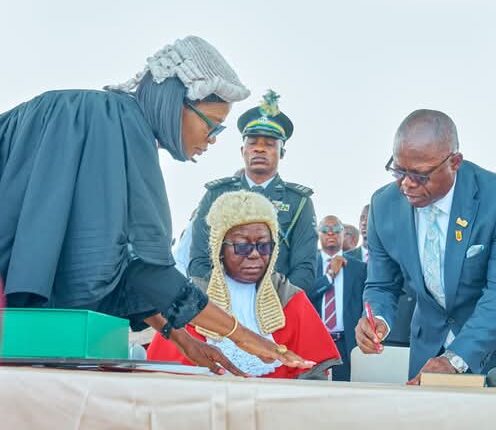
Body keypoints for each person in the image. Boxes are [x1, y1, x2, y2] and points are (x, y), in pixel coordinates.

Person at [0, 36, 311, 375]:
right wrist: (243, 336)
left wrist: (182, 339)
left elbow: (120, 264)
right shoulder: (113, 124)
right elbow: (148, 268)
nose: (212, 139)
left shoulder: (110, 121)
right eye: (212, 125)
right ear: (176, 103)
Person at [356, 109, 496, 383]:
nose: (406, 184)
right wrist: (378, 318)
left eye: (420, 175)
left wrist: (454, 359)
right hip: (426, 353)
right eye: (399, 170)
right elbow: (382, 285)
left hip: (494, 359)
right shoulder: (383, 206)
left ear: (454, 162)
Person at [148, 191, 340, 378]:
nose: (255, 254)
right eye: (242, 246)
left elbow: (314, 373)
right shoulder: (193, 298)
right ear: (219, 248)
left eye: (264, 245)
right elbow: (169, 374)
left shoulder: (289, 296)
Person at [188, 90, 318, 293]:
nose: (259, 149)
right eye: (253, 143)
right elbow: (199, 260)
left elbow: (304, 269)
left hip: (278, 303)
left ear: (282, 153)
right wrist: (226, 300)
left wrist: (269, 303)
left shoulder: (299, 201)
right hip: (221, 304)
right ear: (243, 151)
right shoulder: (216, 194)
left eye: (269, 144)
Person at [310, 216, 367, 381]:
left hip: (346, 343)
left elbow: (365, 303)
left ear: (343, 233)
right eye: (325, 230)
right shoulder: (308, 265)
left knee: (345, 390)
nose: (331, 234)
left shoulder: (359, 268)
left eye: (336, 230)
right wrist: (329, 276)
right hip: (316, 341)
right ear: (318, 233)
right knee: (314, 389)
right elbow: (304, 294)